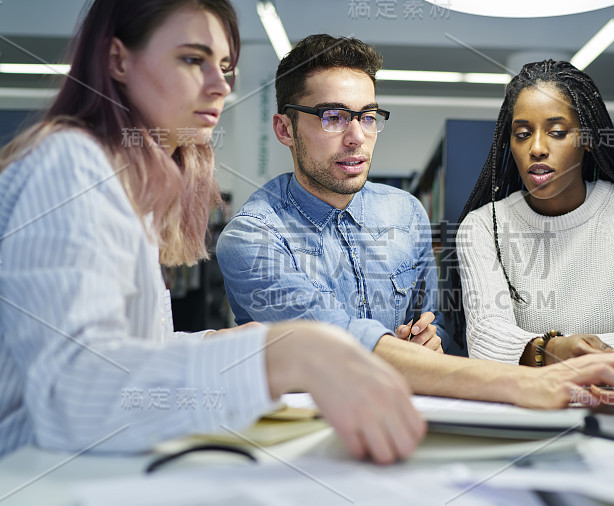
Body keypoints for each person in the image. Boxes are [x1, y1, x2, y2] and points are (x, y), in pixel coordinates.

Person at [0, 0, 426, 465]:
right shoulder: (72, 166)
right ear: (117, 60)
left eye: (225, 67)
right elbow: (72, 393)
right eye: (191, 59)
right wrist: (280, 353)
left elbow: (135, 352)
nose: (220, 85)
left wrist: (220, 343)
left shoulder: (128, 188)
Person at [216, 34, 614, 410]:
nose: (357, 137)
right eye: (333, 117)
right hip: (311, 432)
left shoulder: (405, 212)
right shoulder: (251, 239)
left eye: (368, 117)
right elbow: (338, 341)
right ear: (284, 129)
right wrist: (528, 379)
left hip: (416, 414)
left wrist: (431, 344)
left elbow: (442, 329)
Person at [455, 60, 614, 371]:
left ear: (589, 139)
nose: (537, 147)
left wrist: (554, 353)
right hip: (532, 410)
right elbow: (487, 341)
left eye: (556, 132)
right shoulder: (483, 227)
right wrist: (558, 349)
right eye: (523, 133)